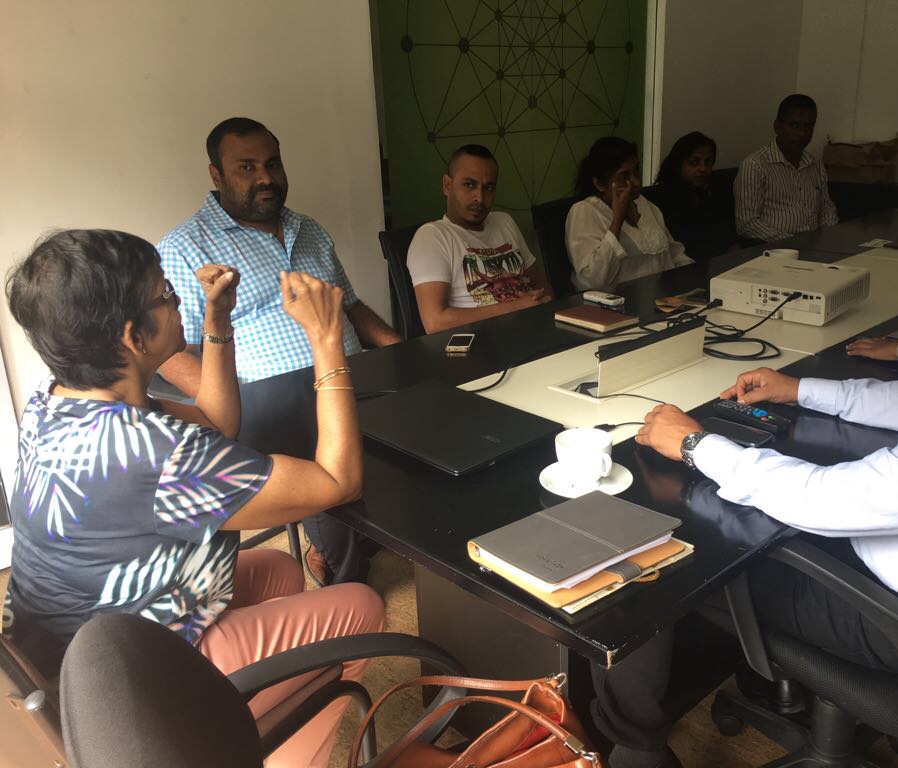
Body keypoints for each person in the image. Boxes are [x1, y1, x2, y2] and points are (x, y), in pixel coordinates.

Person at [590, 185, 898, 768]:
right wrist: (799, 389)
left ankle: (634, 751)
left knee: (641, 546)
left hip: (887, 615)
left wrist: (694, 444)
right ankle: (769, 684)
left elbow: (828, 501)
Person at [3, 229, 385, 768]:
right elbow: (338, 481)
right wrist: (326, 339)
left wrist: (217, 318)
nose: (177, 297)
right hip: (132, 686)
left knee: (280, 571)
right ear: (133, 337)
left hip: (69, 658)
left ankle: (261, 718)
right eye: (165, 294)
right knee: (361, 605)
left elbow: (213, 421)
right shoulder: (161, 456)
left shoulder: (55, 402)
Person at [158, 117, 401, 586]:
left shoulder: (309, 229)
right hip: (267, 402)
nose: (265, 177)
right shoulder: (184, 247)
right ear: (216, 175)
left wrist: (406, 352)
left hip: (349, 374)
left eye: (272, 164)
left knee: (421, 428)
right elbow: (170, 353)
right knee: (322, 458)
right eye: (247, 167)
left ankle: (383, 533)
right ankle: (346, 581)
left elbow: (350, 306)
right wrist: (222, 404)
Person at [407, 144, 552, 334]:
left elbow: (541, 285)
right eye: (469, 185)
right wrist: (516, 307)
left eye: (489, 188)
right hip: (483, 342)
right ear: (447, 186)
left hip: (535, 331)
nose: (480, 198)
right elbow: (435, 322)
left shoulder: (504, 221)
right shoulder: (432, 236)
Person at [566, 136, 692, 292]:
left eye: (636, 172)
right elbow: (594, 281)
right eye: (624, 177)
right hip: (618, 303)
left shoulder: (643, 203)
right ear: (599, 184)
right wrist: (617, 220)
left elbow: (674, 254)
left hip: (664, 295)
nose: (636, 183)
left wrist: (693, 280)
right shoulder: (585, 211)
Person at [734, 94, 839, 241]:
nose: (802, 133)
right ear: (777, 127)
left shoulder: (815, 163)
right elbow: (747, 224)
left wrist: (830, 239)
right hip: (774, 248)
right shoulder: (755, 165)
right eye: (794, 125)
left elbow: (826, 209)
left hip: (814, 246)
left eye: (808, 126)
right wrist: (791, 243)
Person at [651, 131, 735, 260]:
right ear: (678, 164)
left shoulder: (712, 191)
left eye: (708, 163)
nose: (703, 169)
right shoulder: (661, 199)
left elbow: (726, 234)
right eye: (694, 163)